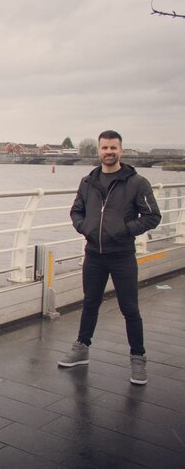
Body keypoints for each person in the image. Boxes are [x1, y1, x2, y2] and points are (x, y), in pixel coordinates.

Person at [58, 130, 160, 385]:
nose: (109, 152)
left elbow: (152, 216)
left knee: (130, 309)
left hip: (122, 255)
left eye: (113, 148)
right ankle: (82, 348)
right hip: (93, 254)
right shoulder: (88, 181)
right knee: (90, 302)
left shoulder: (137, 183)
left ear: (121, 150)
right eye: (105, 148)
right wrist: (85, 228)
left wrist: (124, 230)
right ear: (99, 151)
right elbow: (76, 211)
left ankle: (138, 358)